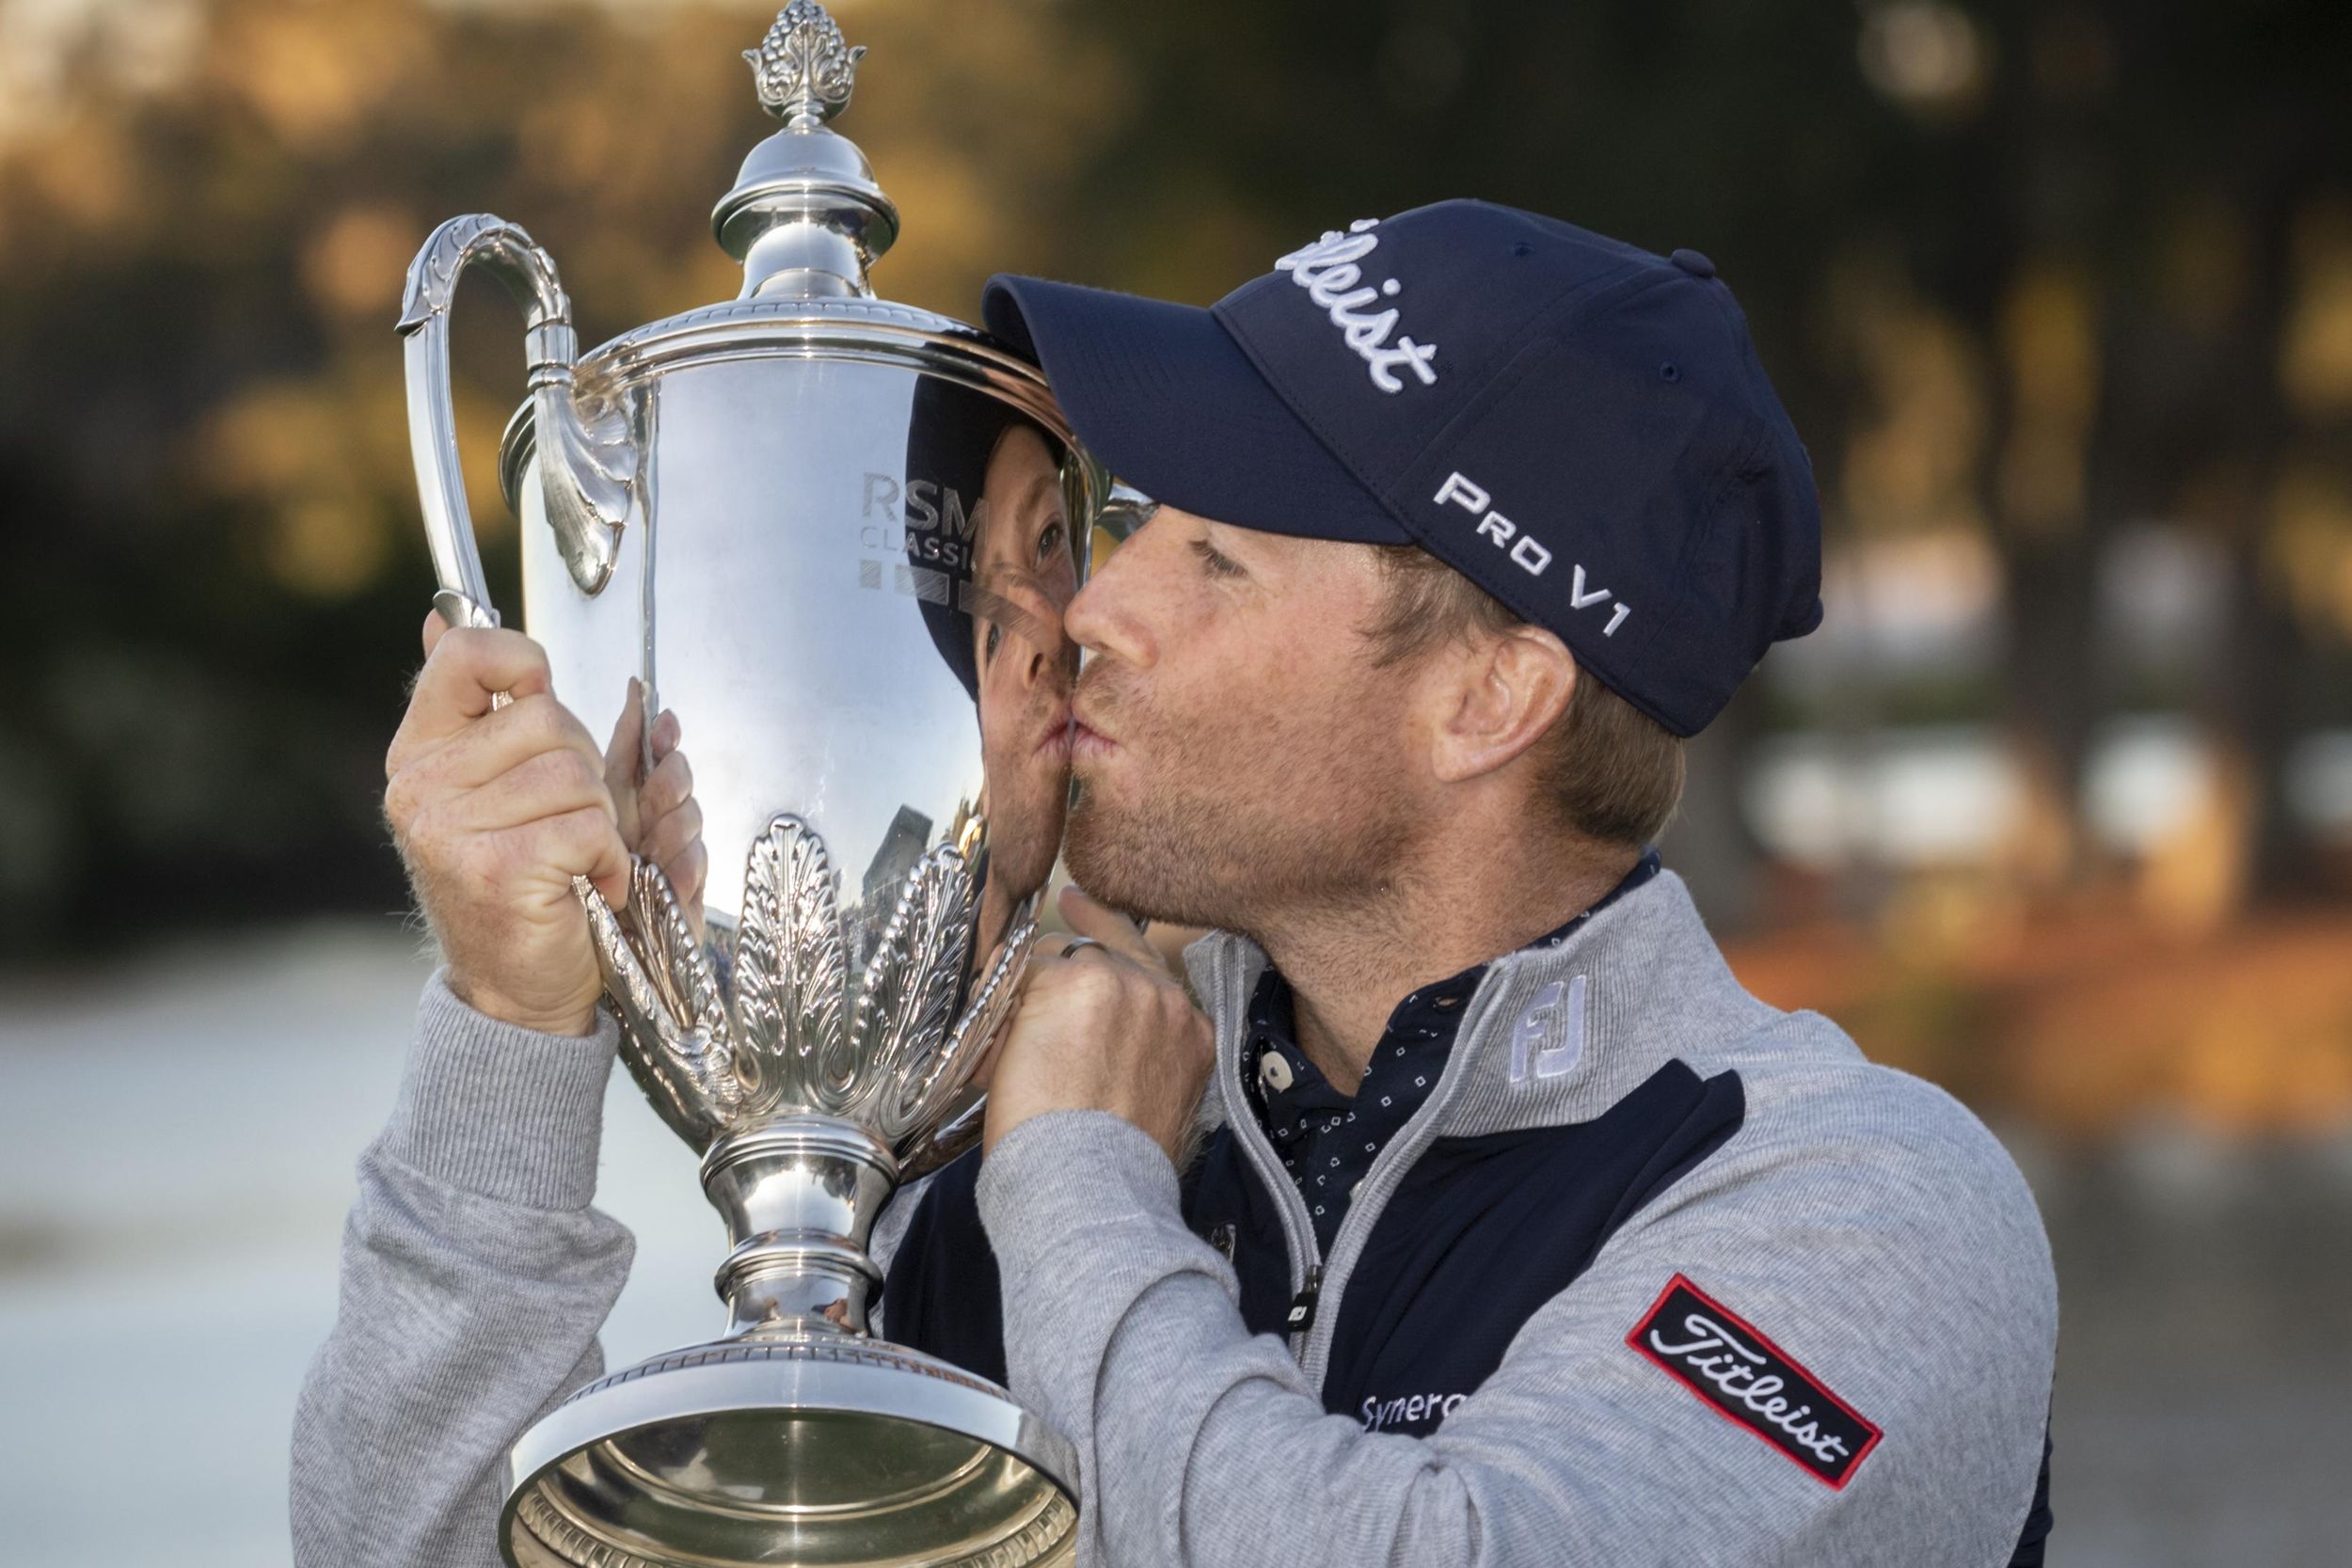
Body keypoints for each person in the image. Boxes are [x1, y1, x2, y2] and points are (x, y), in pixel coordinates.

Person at [294, 200, 2057, 1568]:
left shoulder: (1858, 1210)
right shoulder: (967, 1169)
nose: (1093, 612)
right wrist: (516, 1031)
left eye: (1213, 556)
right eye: (1128, 521)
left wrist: (1076, 1194)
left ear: (1488, 697)